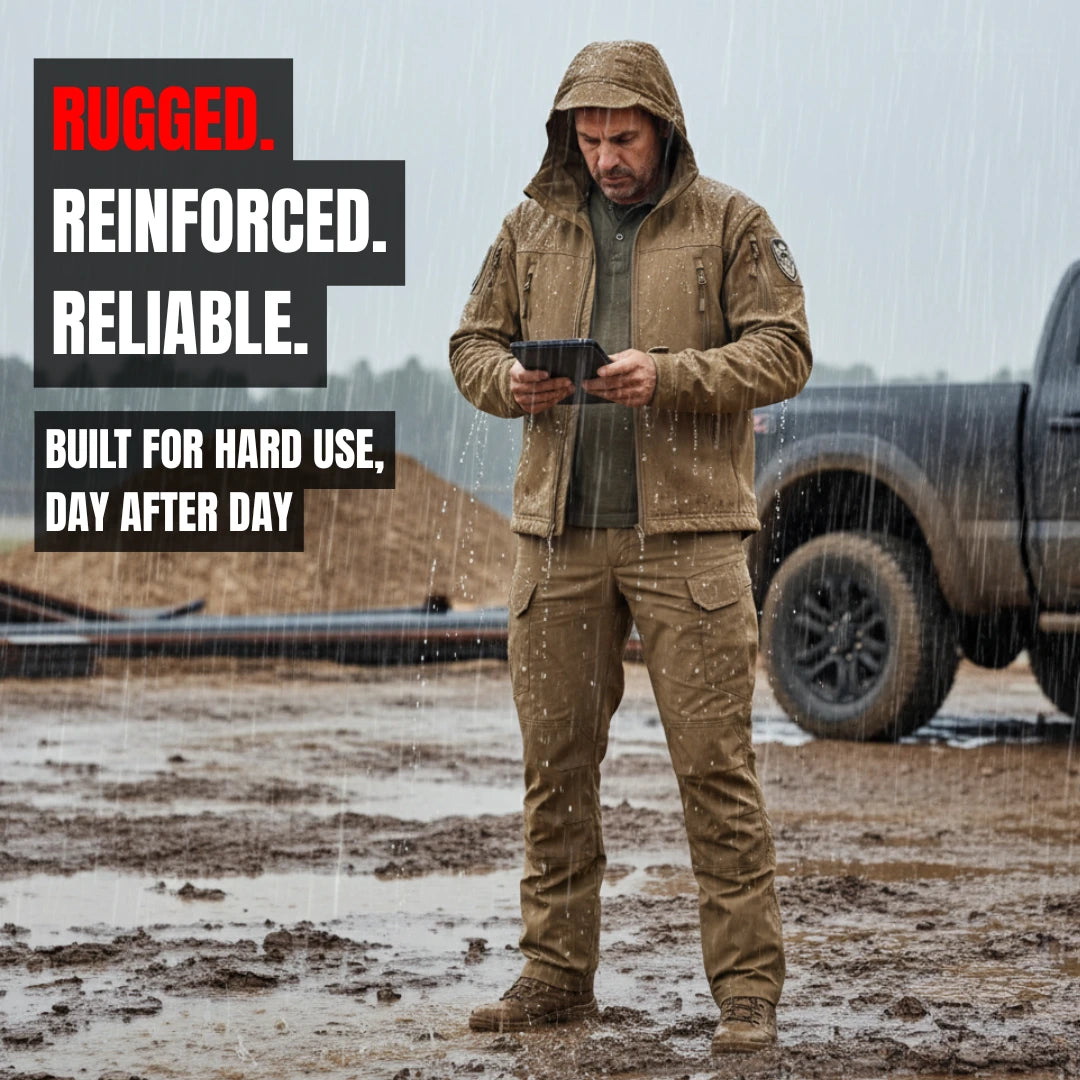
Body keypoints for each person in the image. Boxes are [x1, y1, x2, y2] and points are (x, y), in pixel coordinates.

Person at [449, 40, 811, 1054]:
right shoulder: (528, 228)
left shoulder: (733, 223)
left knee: (715, 771)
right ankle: (556, 976)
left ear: (665, 130)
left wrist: (673, 375)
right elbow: (471, 345)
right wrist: (506, 383)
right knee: (555, 768)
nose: (607, 158)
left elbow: (785, 349)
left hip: (689, 543)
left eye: (625, 138)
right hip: (558, 540)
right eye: (590, 138)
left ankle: (747, 995)